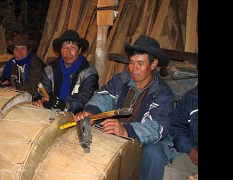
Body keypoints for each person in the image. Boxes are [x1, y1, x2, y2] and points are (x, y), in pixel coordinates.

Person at [72, 35, 175, 180]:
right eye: (131, 63)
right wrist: (91, 112)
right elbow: (104, 97)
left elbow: (157, 128)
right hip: (118, 129)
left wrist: (126, 130)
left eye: (140, 63)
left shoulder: (162, 92)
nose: (134, 69)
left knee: (154, 153)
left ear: (153, 65)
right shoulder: (121, 80)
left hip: (145, 138)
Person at [32, 30, 99, 114]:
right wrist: (38, 98)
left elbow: (85, 97)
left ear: (80, 50)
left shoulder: (88, 72)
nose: (68, 52)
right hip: (53, 112)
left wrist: (65, 105)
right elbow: (42, 89)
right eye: (64, 48)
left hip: (79, 116)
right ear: (60, 50)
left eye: (72, 48)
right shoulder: (50, 69)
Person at [163, 85, 198, 180]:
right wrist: (190, 149)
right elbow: (178, 127)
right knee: (169, 174)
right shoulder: (191, 98)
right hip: (193, 155)